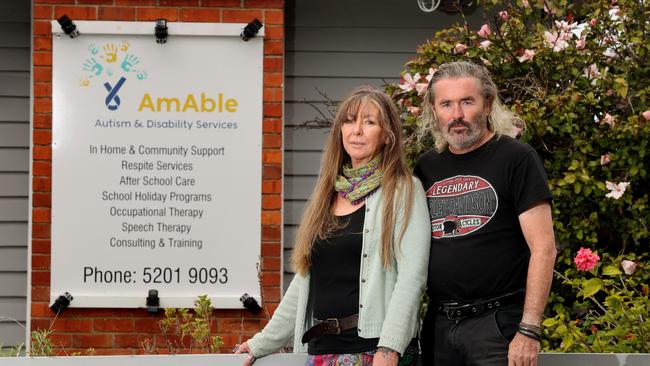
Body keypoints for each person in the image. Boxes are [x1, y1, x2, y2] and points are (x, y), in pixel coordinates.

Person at [235, 86, 430, 366]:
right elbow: (304, 282)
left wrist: (389, 348)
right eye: (349, 121)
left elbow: (412, 277)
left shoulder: (404, 191)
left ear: (387, 135)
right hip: (322, 353)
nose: (357, 130)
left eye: (369, 122)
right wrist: (262, 342)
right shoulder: (328, 194)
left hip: (376, 354)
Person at [413, 61, 557, 366]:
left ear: (488, 104)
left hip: (497, 326)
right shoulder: (427, 167)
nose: (457, 115)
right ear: (434, 111)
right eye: (446, 104)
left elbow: (544, 248)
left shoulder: (517, 158)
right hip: (438, 325)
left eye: (467, 102)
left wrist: (529, 330)